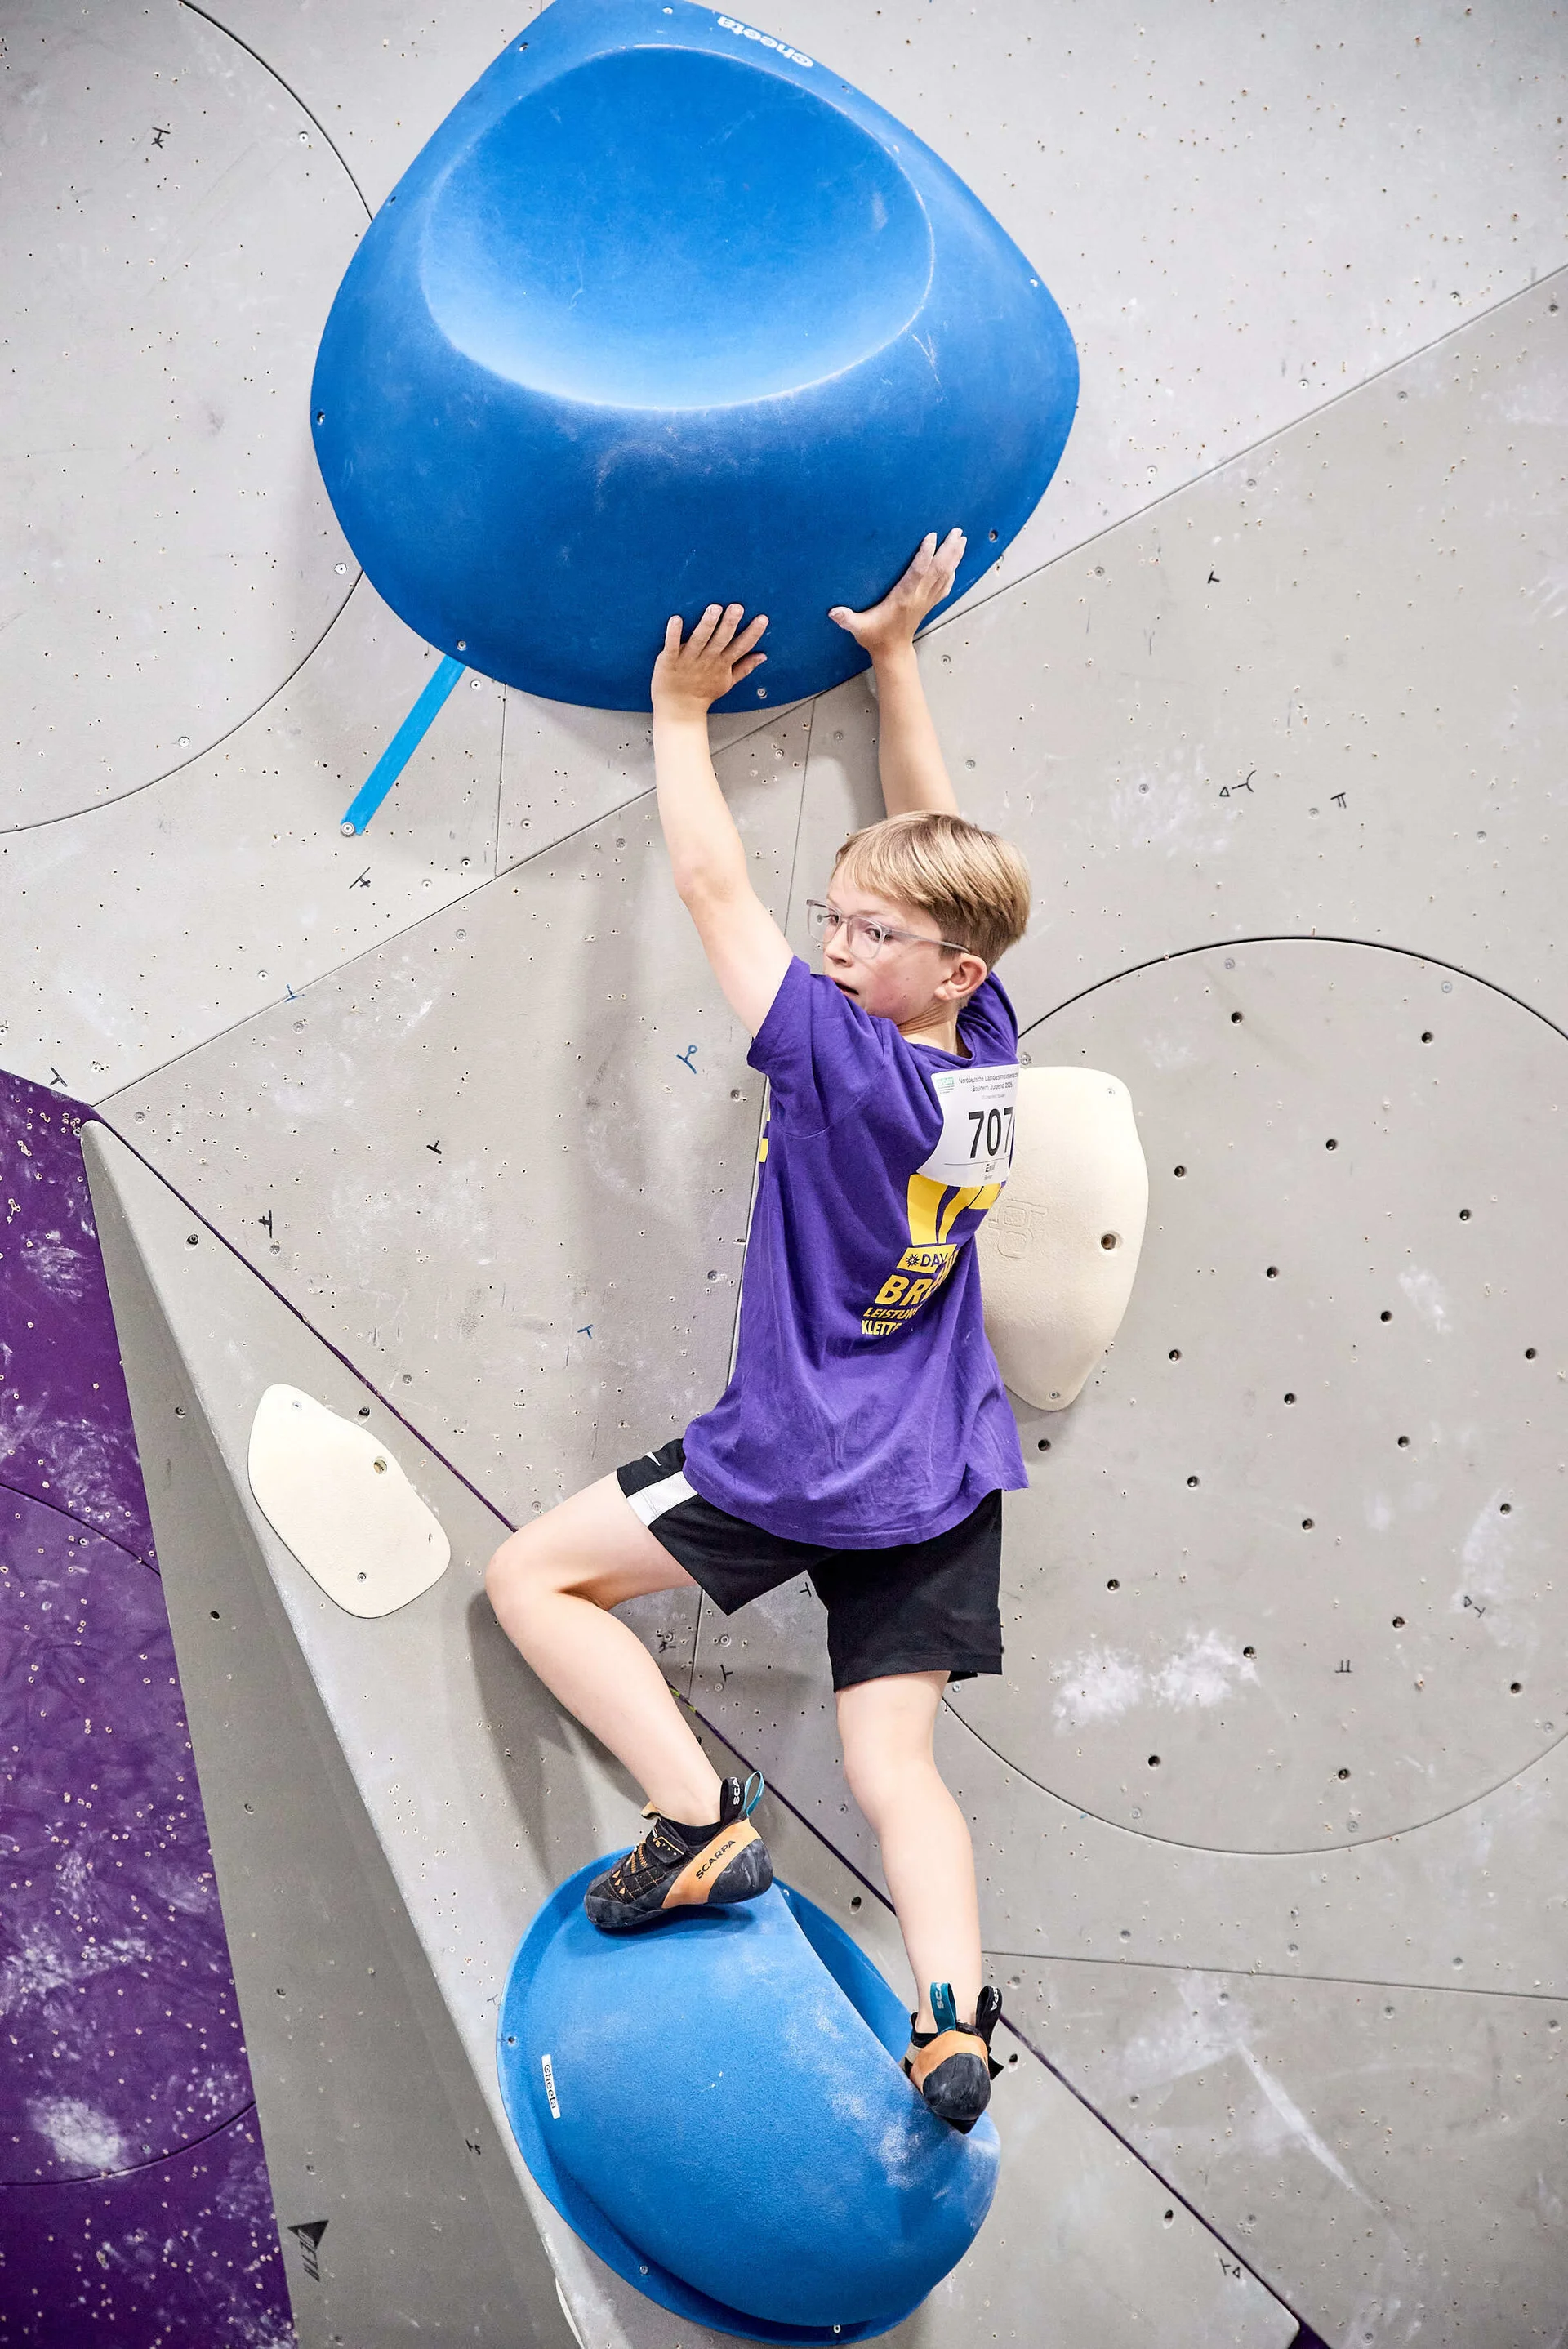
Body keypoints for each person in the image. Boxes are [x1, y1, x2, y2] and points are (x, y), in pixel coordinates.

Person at [486, 529, 1031, 2134]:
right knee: (896, 1770)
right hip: (940, 1468)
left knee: (534, 1576)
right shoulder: (982, 1050)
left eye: (866, 934)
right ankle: (952, 2021)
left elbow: (716, 882)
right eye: (840, 923)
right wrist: (898, 668)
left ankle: (695, 1807)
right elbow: (926, 847)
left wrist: (675, 719)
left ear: (939, 966)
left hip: (795, 1459)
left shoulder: (833, 1058)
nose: (838, 941)